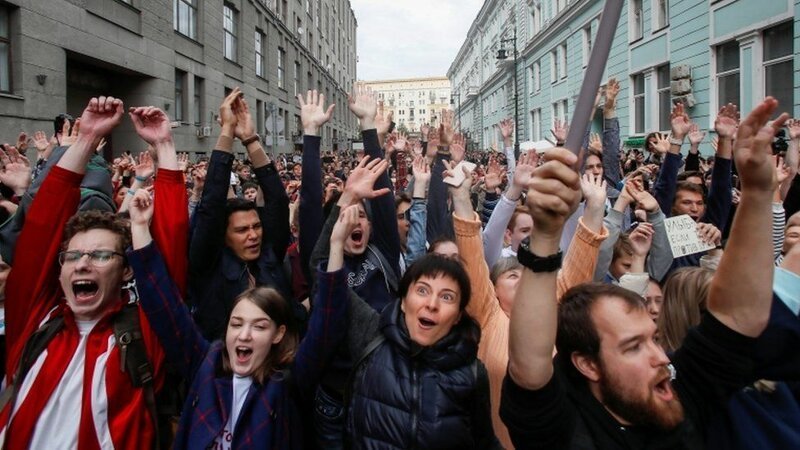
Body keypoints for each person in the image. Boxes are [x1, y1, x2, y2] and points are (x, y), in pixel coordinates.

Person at [501, 97, 787, 449]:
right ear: (588, 365)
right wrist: (545, 236)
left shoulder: (683, 398)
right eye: (633, 347)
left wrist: (758, 192)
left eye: (653, 338)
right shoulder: (565, 433)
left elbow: (737, 315)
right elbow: (529, 368)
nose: (662, 358)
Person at [0, 96, 187, 449]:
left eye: (100, 255)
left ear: (126, 270)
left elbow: (171, 247)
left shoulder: (142, 334)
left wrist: (164, 145)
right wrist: (86, 138)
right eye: (72, 256)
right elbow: (41, 227)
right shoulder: (36, 323)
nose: (83, 264)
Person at [127, 187, 351, 449]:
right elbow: (165, 306)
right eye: (236, 324)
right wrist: (139, 228)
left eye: (259, 326)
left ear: (278, 334)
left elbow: (326, 326)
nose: (244, 335)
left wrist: (336, 245)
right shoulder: (206, 365)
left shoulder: (287, 383)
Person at [344, 252, 499, 449]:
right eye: (422, 290)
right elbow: (325, 282)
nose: (432, 304)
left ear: (458, 315)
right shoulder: (372, 340)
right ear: (403, 301)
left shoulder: (473, 374)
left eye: (447, 297)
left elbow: (485, 442)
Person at [190, 88, 293, 340]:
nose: (253, 235)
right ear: (224, 236)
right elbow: (211, 204)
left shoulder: (270, 256)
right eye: (241, 230)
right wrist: (227, 131)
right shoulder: (208, 265)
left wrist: (250, 139)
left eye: (256, 227)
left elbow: (278, 201)